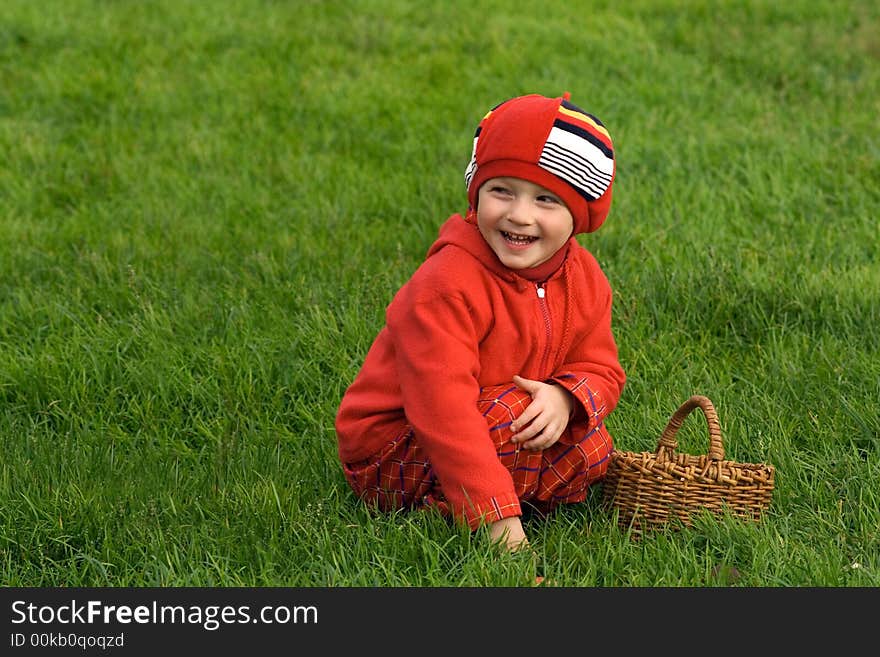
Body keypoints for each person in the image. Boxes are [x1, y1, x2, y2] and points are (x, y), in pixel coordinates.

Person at [335, 92, 625, 552]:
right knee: (511, 415)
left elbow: (602, 368)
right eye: (501, 190)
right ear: (476, 191)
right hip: (397, 446)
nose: (519, 214)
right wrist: (499, 525)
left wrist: (565, 398)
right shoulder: (447, 284)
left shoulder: (584, 278)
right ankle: (462, 508)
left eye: (547, 199)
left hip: (492, 418)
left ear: (582, 215)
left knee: (590, 444)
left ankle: (506, 487)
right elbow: (442, 409)